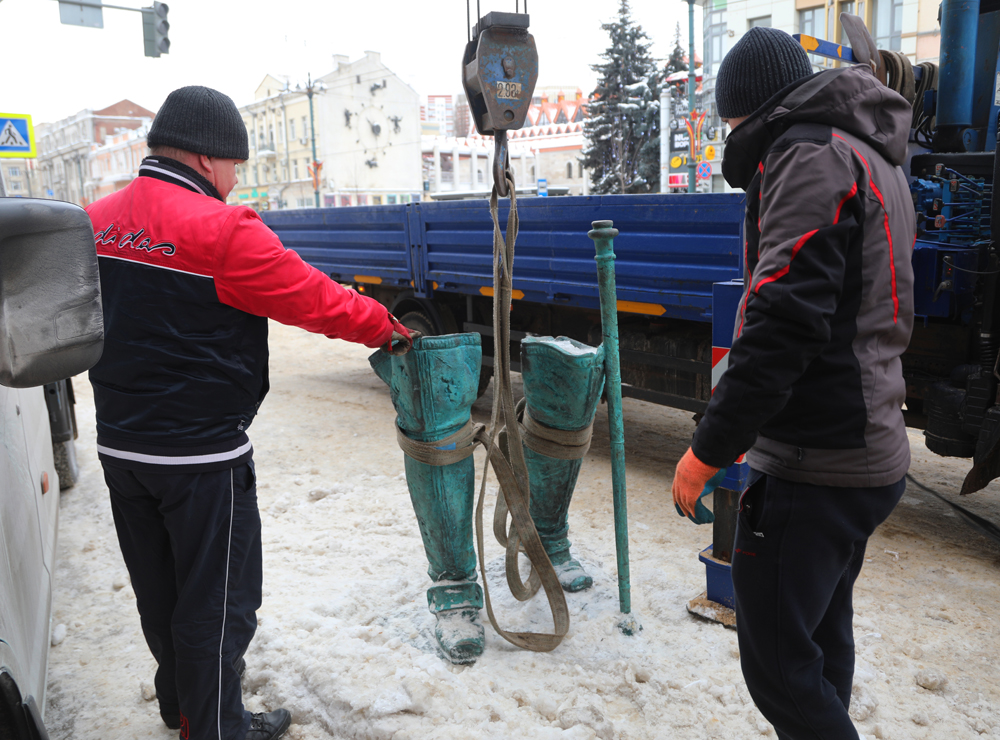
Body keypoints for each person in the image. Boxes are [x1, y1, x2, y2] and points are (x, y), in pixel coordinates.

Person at [85, 86, 410, 740]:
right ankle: (214, 731)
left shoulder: (94, 220)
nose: (236, 181)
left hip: (120, 451)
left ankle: (184, 708)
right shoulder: (222, 231)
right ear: (208, 159)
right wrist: (389, 329)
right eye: (235, 166)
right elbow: (315, 300)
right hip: (201, 460)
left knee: (161, 593)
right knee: (218, 608)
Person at [671, 27, 915, 740]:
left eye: (728, 123)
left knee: (778, 664)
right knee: (819, 637)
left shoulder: (808, 158)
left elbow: (781, 326)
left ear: (751, 112)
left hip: (819, 461)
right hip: (864, 445)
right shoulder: (867, 151)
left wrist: (707, 450)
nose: (728, 139)